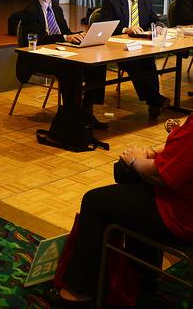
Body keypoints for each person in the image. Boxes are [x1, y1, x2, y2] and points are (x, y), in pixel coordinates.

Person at [46, 114, 193, 306]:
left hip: (181, 218)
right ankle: (140, 283)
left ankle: (81, 291)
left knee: (95, 201)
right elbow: (182, 153)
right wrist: (154, 153)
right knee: (130, 187)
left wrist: (136, 161)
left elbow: (159, 176)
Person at [16, 0, 108, 129]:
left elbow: (65, 32)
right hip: (39, 56)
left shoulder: (57, 9)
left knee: (97, 63)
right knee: (70, 67)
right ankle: (71, 114)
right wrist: (66, 37)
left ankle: (87, 112)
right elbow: (38, 39)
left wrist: (78, 35)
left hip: (60, 52)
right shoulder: (30, 11)